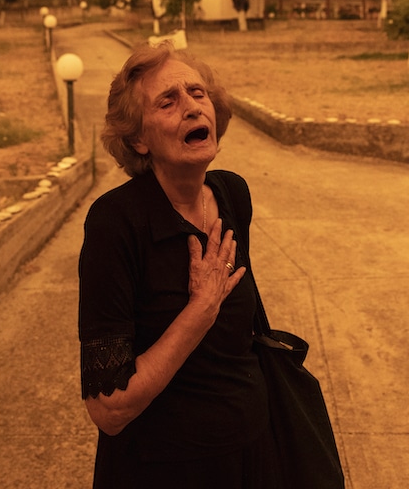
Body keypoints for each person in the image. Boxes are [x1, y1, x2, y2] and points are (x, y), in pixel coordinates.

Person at [78, 42, 278, 488]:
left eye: (197, 93)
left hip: (254, 457)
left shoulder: (232, 195)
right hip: (164, 469)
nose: (191, 107)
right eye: (168, 101)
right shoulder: (115, 223)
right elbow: (108, 409)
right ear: (138, 138)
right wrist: (199, 312)